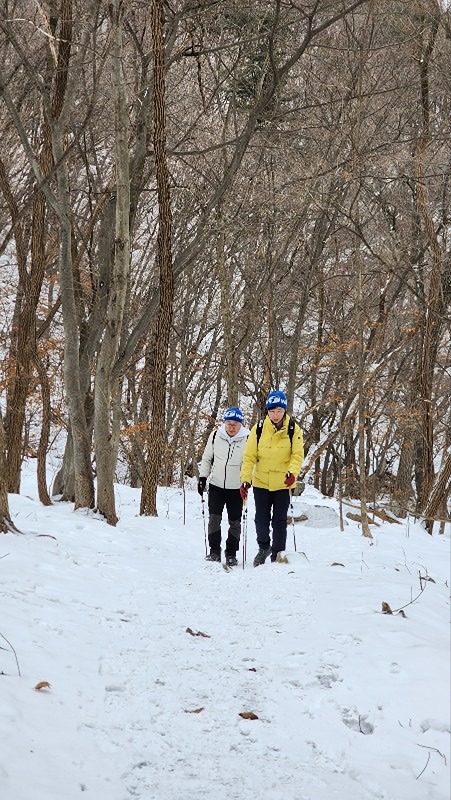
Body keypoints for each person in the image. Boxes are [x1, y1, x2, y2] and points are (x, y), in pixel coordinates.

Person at [240, 390, 304, 566]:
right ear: (267, 411)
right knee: (261, 519)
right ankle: (263, 548)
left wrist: (292, 473)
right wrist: (246, 479)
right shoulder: (259, 429)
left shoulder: (293, 428)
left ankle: (277, 553)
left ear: (284, 411)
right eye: (272, 411)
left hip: (283, 483)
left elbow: (297, 455)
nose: (276, 415)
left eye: (279, 411)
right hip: (261, 482)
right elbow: (249, 456)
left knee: (279, 521)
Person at [198, 407, 250, 567]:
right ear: (224, 423)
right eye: (229, 423)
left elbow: (251, 463)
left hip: (237, 488)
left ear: (241, 424)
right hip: (216, 485)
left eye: (235, 424)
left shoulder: (248, 439)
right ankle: (214, 551)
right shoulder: (215, 436)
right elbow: (207, 458)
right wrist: (202, 477)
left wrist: (248, 481)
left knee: (235, 522)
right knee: (214, 519)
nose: (231, 427)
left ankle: (231, 553)